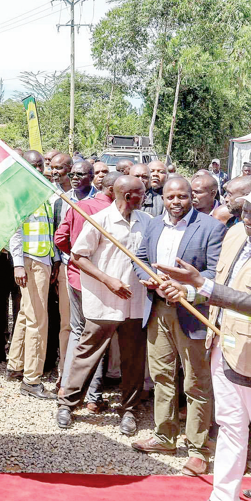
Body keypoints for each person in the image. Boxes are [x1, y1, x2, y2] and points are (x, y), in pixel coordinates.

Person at [158, 181, 251, 501]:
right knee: (230, 428)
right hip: (223, 348)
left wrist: (199, 283)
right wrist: (188, 293)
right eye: (245, 211)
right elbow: (224, 288)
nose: (249, 219)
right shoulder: (234, 234)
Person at [130, 178, 226, 477]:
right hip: (158, 310)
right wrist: (149, 281)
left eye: (182, 196)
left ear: (192, 198)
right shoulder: (153, 225)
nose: (175, 202)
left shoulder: (211, 227)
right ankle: (165, 436)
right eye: (170, 196)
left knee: (196, 383)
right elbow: (141, 259)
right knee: (161, 376)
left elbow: (214, 270)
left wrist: (184, 288)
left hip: (192, 313)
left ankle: (198, 449)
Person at [57, 176, 151, 435]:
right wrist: (108, 280)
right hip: (104, 302)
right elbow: (78, 256)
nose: (146, 196)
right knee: (87, 353)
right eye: (142, 193)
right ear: (129, 196)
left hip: (136, 304)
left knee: (133, 359)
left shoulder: (147, 222)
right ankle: (67, 404)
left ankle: (129, 410)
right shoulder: (100, 221)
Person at [54, 171, 122, 412]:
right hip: (99, 280)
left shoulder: (80, 206)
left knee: (78, 332)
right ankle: (92, 396)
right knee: (96, 336)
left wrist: (74, 255)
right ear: (113, 190)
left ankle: (67, 384)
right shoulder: (113, 213)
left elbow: (60, 238)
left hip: (75, 274)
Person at [7, 150, 58, 400]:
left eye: (40, 166)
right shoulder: (22, 196)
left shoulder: (46, 193)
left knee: (27, 315)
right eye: (32, 166)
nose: (37, 170)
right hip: (30, 261)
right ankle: (32, 379)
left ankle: (15, 365)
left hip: (43, 260)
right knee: (39, 321)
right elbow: (15, 232)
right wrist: (18, 264)